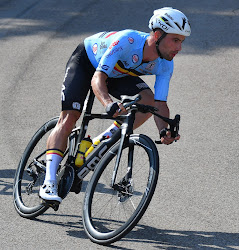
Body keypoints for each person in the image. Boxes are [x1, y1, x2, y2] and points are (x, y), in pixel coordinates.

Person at [39, 7, 191, 203]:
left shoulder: (165, 64)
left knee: (147, 101)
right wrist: (109, 104)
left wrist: (164, 130)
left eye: (182, 41)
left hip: (118, 73)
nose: (179, 48)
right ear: (158, 34)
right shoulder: (128, 41)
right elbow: (97, 79)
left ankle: (103, 139)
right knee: (70, 118)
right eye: (175, 40)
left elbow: (160, 104)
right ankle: (48, 181)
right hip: (88, 63)